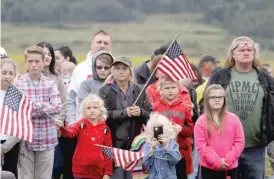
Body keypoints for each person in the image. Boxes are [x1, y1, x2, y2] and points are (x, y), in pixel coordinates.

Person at [200, 36, 274, 179]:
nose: (246, 52)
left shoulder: (265, 78)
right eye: (241, 50)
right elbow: (205, 103)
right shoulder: (220, 75)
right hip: (223, 147)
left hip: (256, 148)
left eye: (249, 50)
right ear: (232, 54)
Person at [99, 56, 152, 179]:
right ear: (112, 71)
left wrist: (141, 112)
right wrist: (124, 113)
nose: (121, 71)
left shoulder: (140, 89)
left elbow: (150, 114)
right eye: (117, 68)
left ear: (130, 71)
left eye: (124, 68)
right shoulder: (105, 90)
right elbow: (102, 115)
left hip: (136, 146)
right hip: (113, 145)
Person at [15, 46, 62, 179]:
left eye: (37, 61)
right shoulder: (19, 85)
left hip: (47, 138)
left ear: (43, 62)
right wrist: (44, 107)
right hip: (26, 140)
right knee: (25, 176)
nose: (34, 65)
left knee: (45, 177)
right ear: (25, 62)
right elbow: (18, 110)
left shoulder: (50, 84)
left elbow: (57, 107)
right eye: (30, 61)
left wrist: (31, 107)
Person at [55, 94, 112, 179]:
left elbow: (108, 152)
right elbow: (70, 133)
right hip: (80, 171)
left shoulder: (105, 129)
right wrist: (62, 127)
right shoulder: (81, 123)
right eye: (88, 108)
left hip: (98, 172)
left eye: (95, 107)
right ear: (83, 111)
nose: (92, 110)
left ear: (101, 110)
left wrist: (107, 173)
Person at [194, 84, 244, 179]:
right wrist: (217, 162)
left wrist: (227, 160)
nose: (217, 100)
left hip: (230, 168)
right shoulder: (201, 121)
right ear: (207, 100)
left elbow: (239, 143)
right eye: (213, 97)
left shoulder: (234, 119)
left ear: (224, 99)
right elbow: (201, 146)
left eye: (220, 97)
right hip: (208, 168)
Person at [67, 30, 112, 125]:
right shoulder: (80, 68)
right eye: (99, 42)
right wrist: (72, 123)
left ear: (110, 47)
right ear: (92, 44)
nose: (102, 45)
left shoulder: (115, 69)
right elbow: (71, 98)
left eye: (106, 43)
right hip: (83, 124)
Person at [153, 76, 194, 178]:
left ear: (178, 88)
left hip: (180, 153)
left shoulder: (184, 107)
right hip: (162, 153)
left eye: (173, 87)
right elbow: (152, 128)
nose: (170, 91)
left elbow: (191, 130)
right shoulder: (155, 107)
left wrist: (181, 129)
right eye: (167, 88)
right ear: (161, 89)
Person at [142, 113, 182, 179]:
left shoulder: (171, 142)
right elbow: (145, 163)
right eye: (155, 128)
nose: (158, 131)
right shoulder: (148, 144)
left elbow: (176, 159)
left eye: (160, 127)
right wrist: (152, 149)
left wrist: (166, 146)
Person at [0, 58, 20, 178]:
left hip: (10, 144)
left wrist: (4, 148)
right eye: (4, 73)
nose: (7, 76)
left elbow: (19, 125)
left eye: (11, 73)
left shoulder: (16, 95)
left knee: (10, 175)